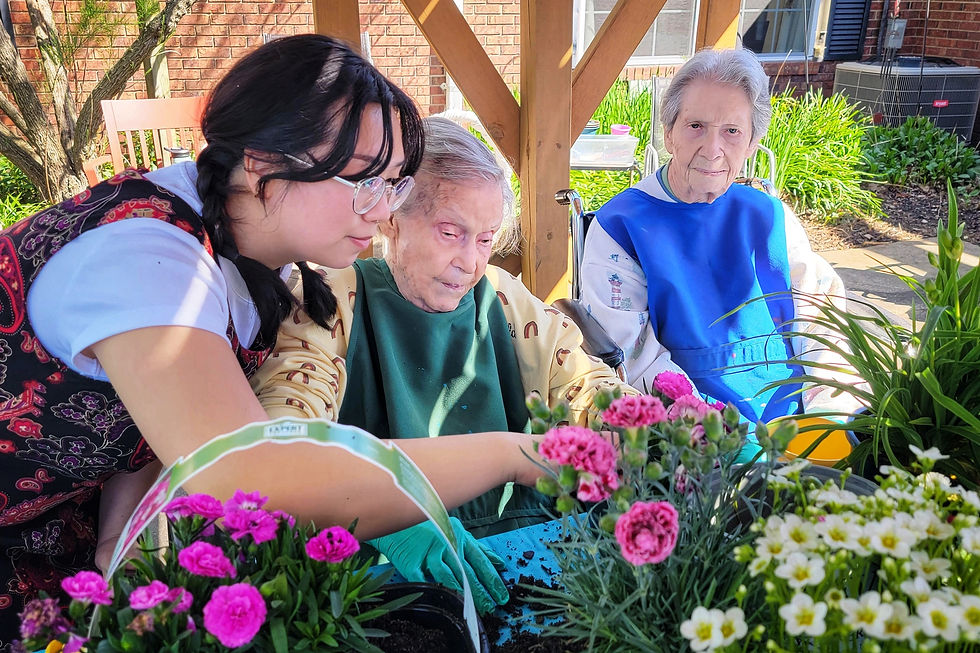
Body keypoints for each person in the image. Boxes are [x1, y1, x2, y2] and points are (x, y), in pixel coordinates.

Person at [0, 35, 545, 644]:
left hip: (65, 555)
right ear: (262, 160)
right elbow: (250, 476)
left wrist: (115, 532)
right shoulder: (148, 258)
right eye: (364, 179)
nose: (382, 210)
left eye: (393, 185)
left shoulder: (257, 251)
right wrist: (513, 455)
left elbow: (151, 408)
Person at [251, 116, 635, 613]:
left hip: (516, 555)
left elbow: (585, 386)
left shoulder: (501, 299)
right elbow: (283, 443)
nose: (470, 262)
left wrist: (648, 427)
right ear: (391, 217)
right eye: (451, 232)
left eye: (485, 238)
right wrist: (387, 517)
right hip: (381, 581)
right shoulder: (331, 302)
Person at [580, 48, 861, 436]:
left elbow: (822, 323)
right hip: (695, 436)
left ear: (751, 143)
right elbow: (636, 358)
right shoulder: (620, 228)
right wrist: (718, 436)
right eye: (696, 125)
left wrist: (828, 411)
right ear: (669, 133)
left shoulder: (771, 217)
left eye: (732, 131)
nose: (713, 150)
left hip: (797, 422)